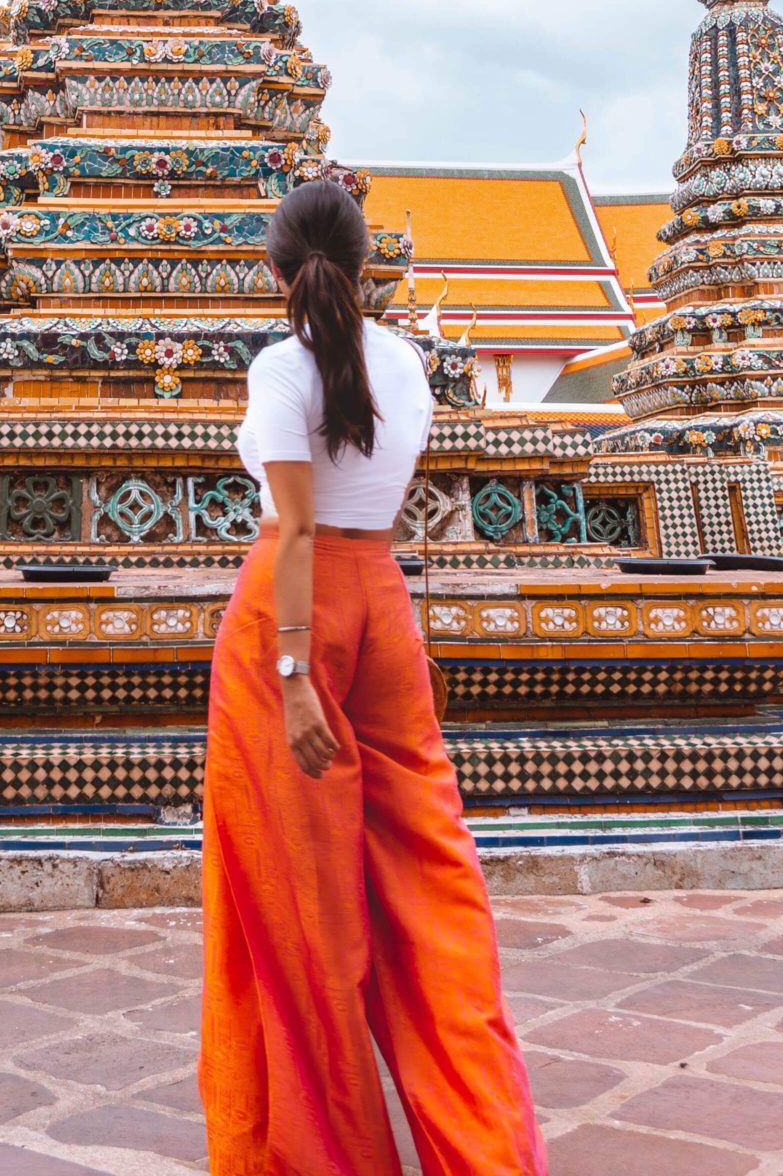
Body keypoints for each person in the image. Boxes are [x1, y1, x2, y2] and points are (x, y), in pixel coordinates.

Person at [198, 179, 546, 1175]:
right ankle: (485, 1147)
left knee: (294, 902)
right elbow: (368, 501)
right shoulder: (410, 360)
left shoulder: (280, 366)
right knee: (430, 878)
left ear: (277, 269)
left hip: (291, 617)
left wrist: (296, 667)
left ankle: (319, 1155)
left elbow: (299, 526)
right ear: (366, 264)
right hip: (384, 605)